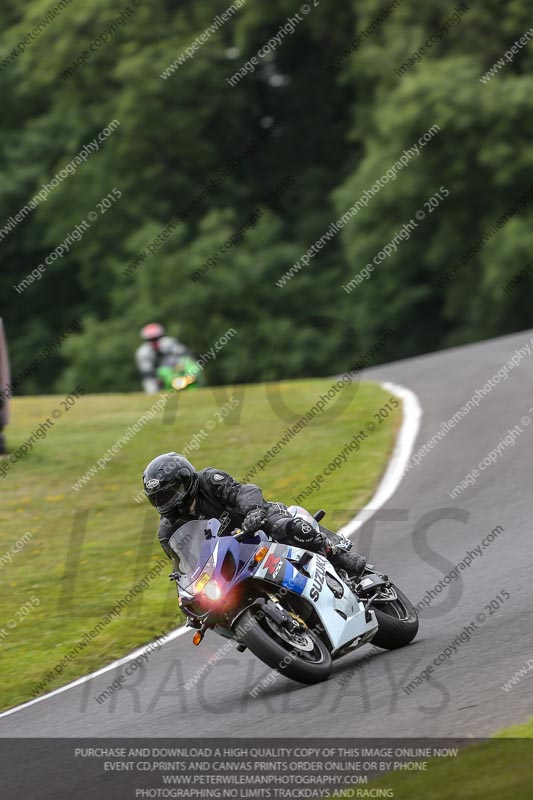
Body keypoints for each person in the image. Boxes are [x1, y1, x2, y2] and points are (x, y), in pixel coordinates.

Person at [142, 452, 366, 585]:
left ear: (186, 480)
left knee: (286, 527)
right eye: (159, 498)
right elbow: (183, 564)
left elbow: (244, 491)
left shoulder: (208, 480)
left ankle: (339, 558)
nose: (167, 501)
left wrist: (253, 512)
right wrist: (184, 579)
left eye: (171, 493)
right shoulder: (168, 530)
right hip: (231, 556)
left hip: (258, 523)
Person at [135, 323, 192, 394]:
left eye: (157, 338)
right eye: (151, 340)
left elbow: (185, 356)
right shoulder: (142, 352)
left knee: (191, 366)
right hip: (157, 374)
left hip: (176, 369)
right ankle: (154, 397)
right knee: (150, 385)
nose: (154, 342)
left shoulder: (171, 343)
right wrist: (158, 378)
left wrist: (180, 367)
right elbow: (146, 371)